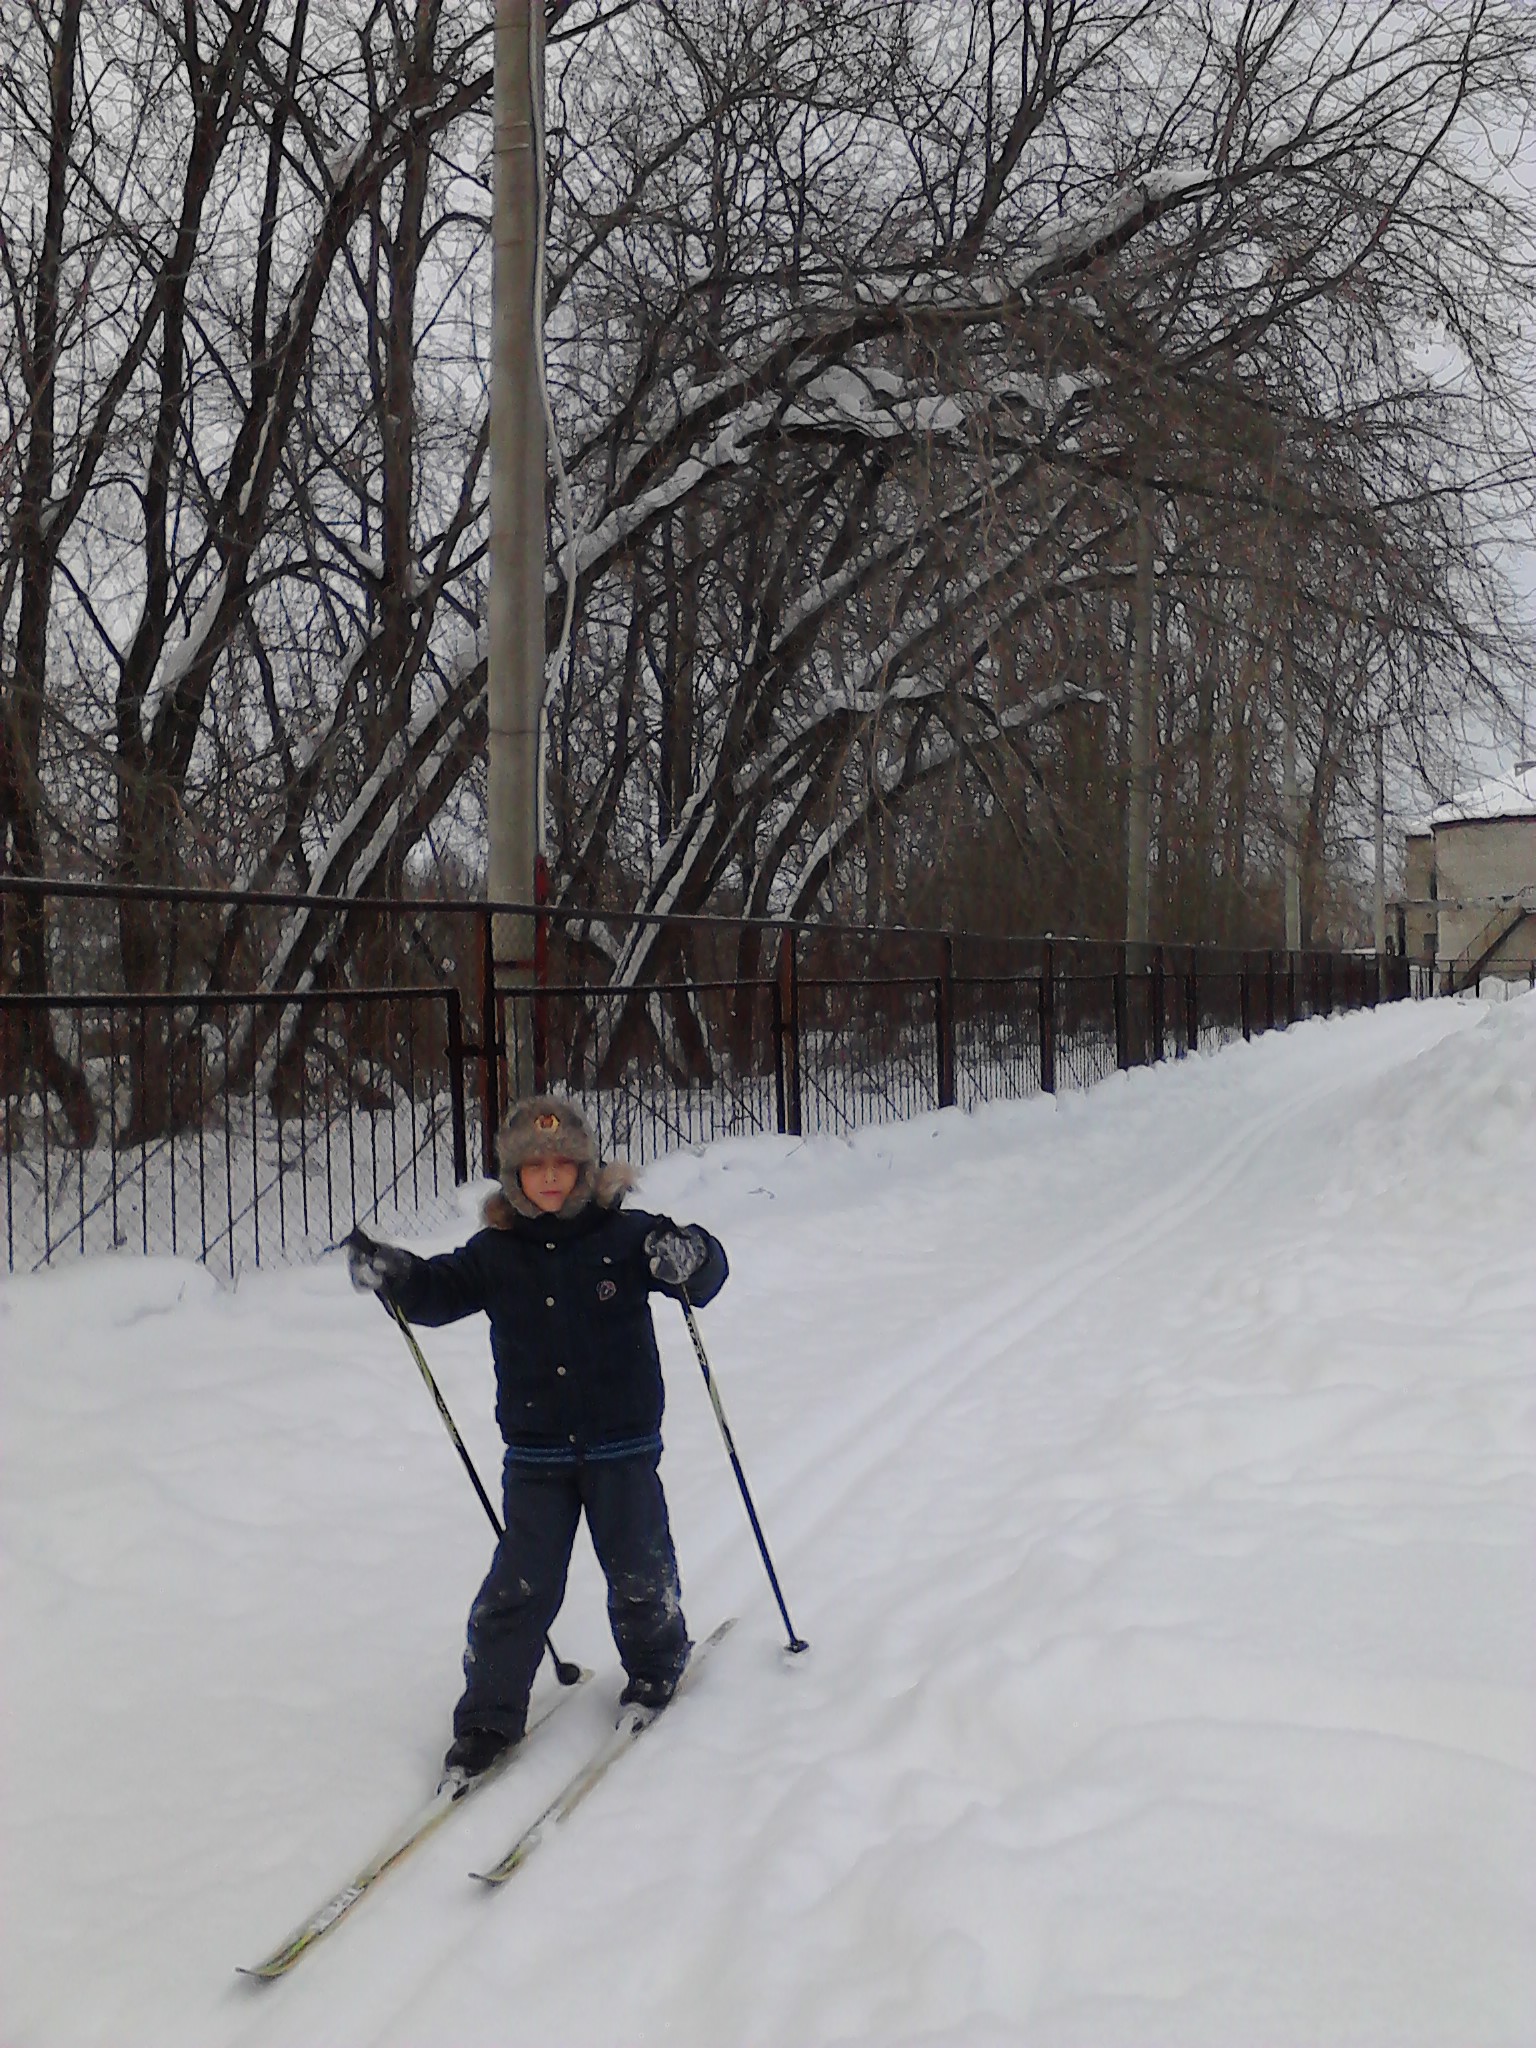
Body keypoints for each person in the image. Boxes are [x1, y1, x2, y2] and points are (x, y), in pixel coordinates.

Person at [345, 1094, 727, 1784]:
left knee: (639, 1568)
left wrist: (691, 1255)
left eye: (564, 1165)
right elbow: (438, 1291)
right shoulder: (497, 1253)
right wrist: (398, 1276)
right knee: (518, 1587)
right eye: (533, 1167)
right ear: (511, 1177)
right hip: (538, 1453)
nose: (549, 1178)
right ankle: (488, 1715)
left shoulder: (625, 1235)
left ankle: (655, 1667)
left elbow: (706, 1272)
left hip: (621, 1444)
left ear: (585, 1170)